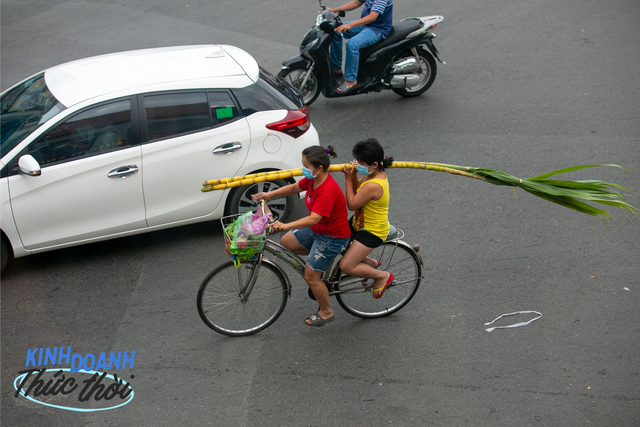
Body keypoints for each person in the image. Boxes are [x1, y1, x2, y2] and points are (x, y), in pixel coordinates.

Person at [252, 146, 351, 327]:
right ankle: (318, 265)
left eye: (306, 165)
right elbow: (295, 187)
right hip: (318, 231)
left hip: (331, 237)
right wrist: (269, 194)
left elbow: (314, 218)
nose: (303, 168)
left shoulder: (327, 189)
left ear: (318, 168)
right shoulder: (312, 180)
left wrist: (285, 224)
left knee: (311, 277)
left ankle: (327, 312)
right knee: (286, 242)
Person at [340, 138, 394, 298]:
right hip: (358, 224)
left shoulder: (374, 185)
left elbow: (352, 204)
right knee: (338, 241)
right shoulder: (371, 174)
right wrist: (356, 174)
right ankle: (370, 263)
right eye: (358, 161)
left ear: (374, 164)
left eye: (361, 162)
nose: (358, 164)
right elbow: (358, 190)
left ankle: (382, 276)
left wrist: (348, 178)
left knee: (346, 266)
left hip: (372, 231)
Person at [328, 0, 394, 93]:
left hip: (378, 29)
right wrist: (334, 10)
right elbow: (357, 2)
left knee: (352, 45)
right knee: (335, 32)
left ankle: (351, 80)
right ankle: (336, 67)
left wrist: (349, 25)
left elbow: (372, 17)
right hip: (366, 25)